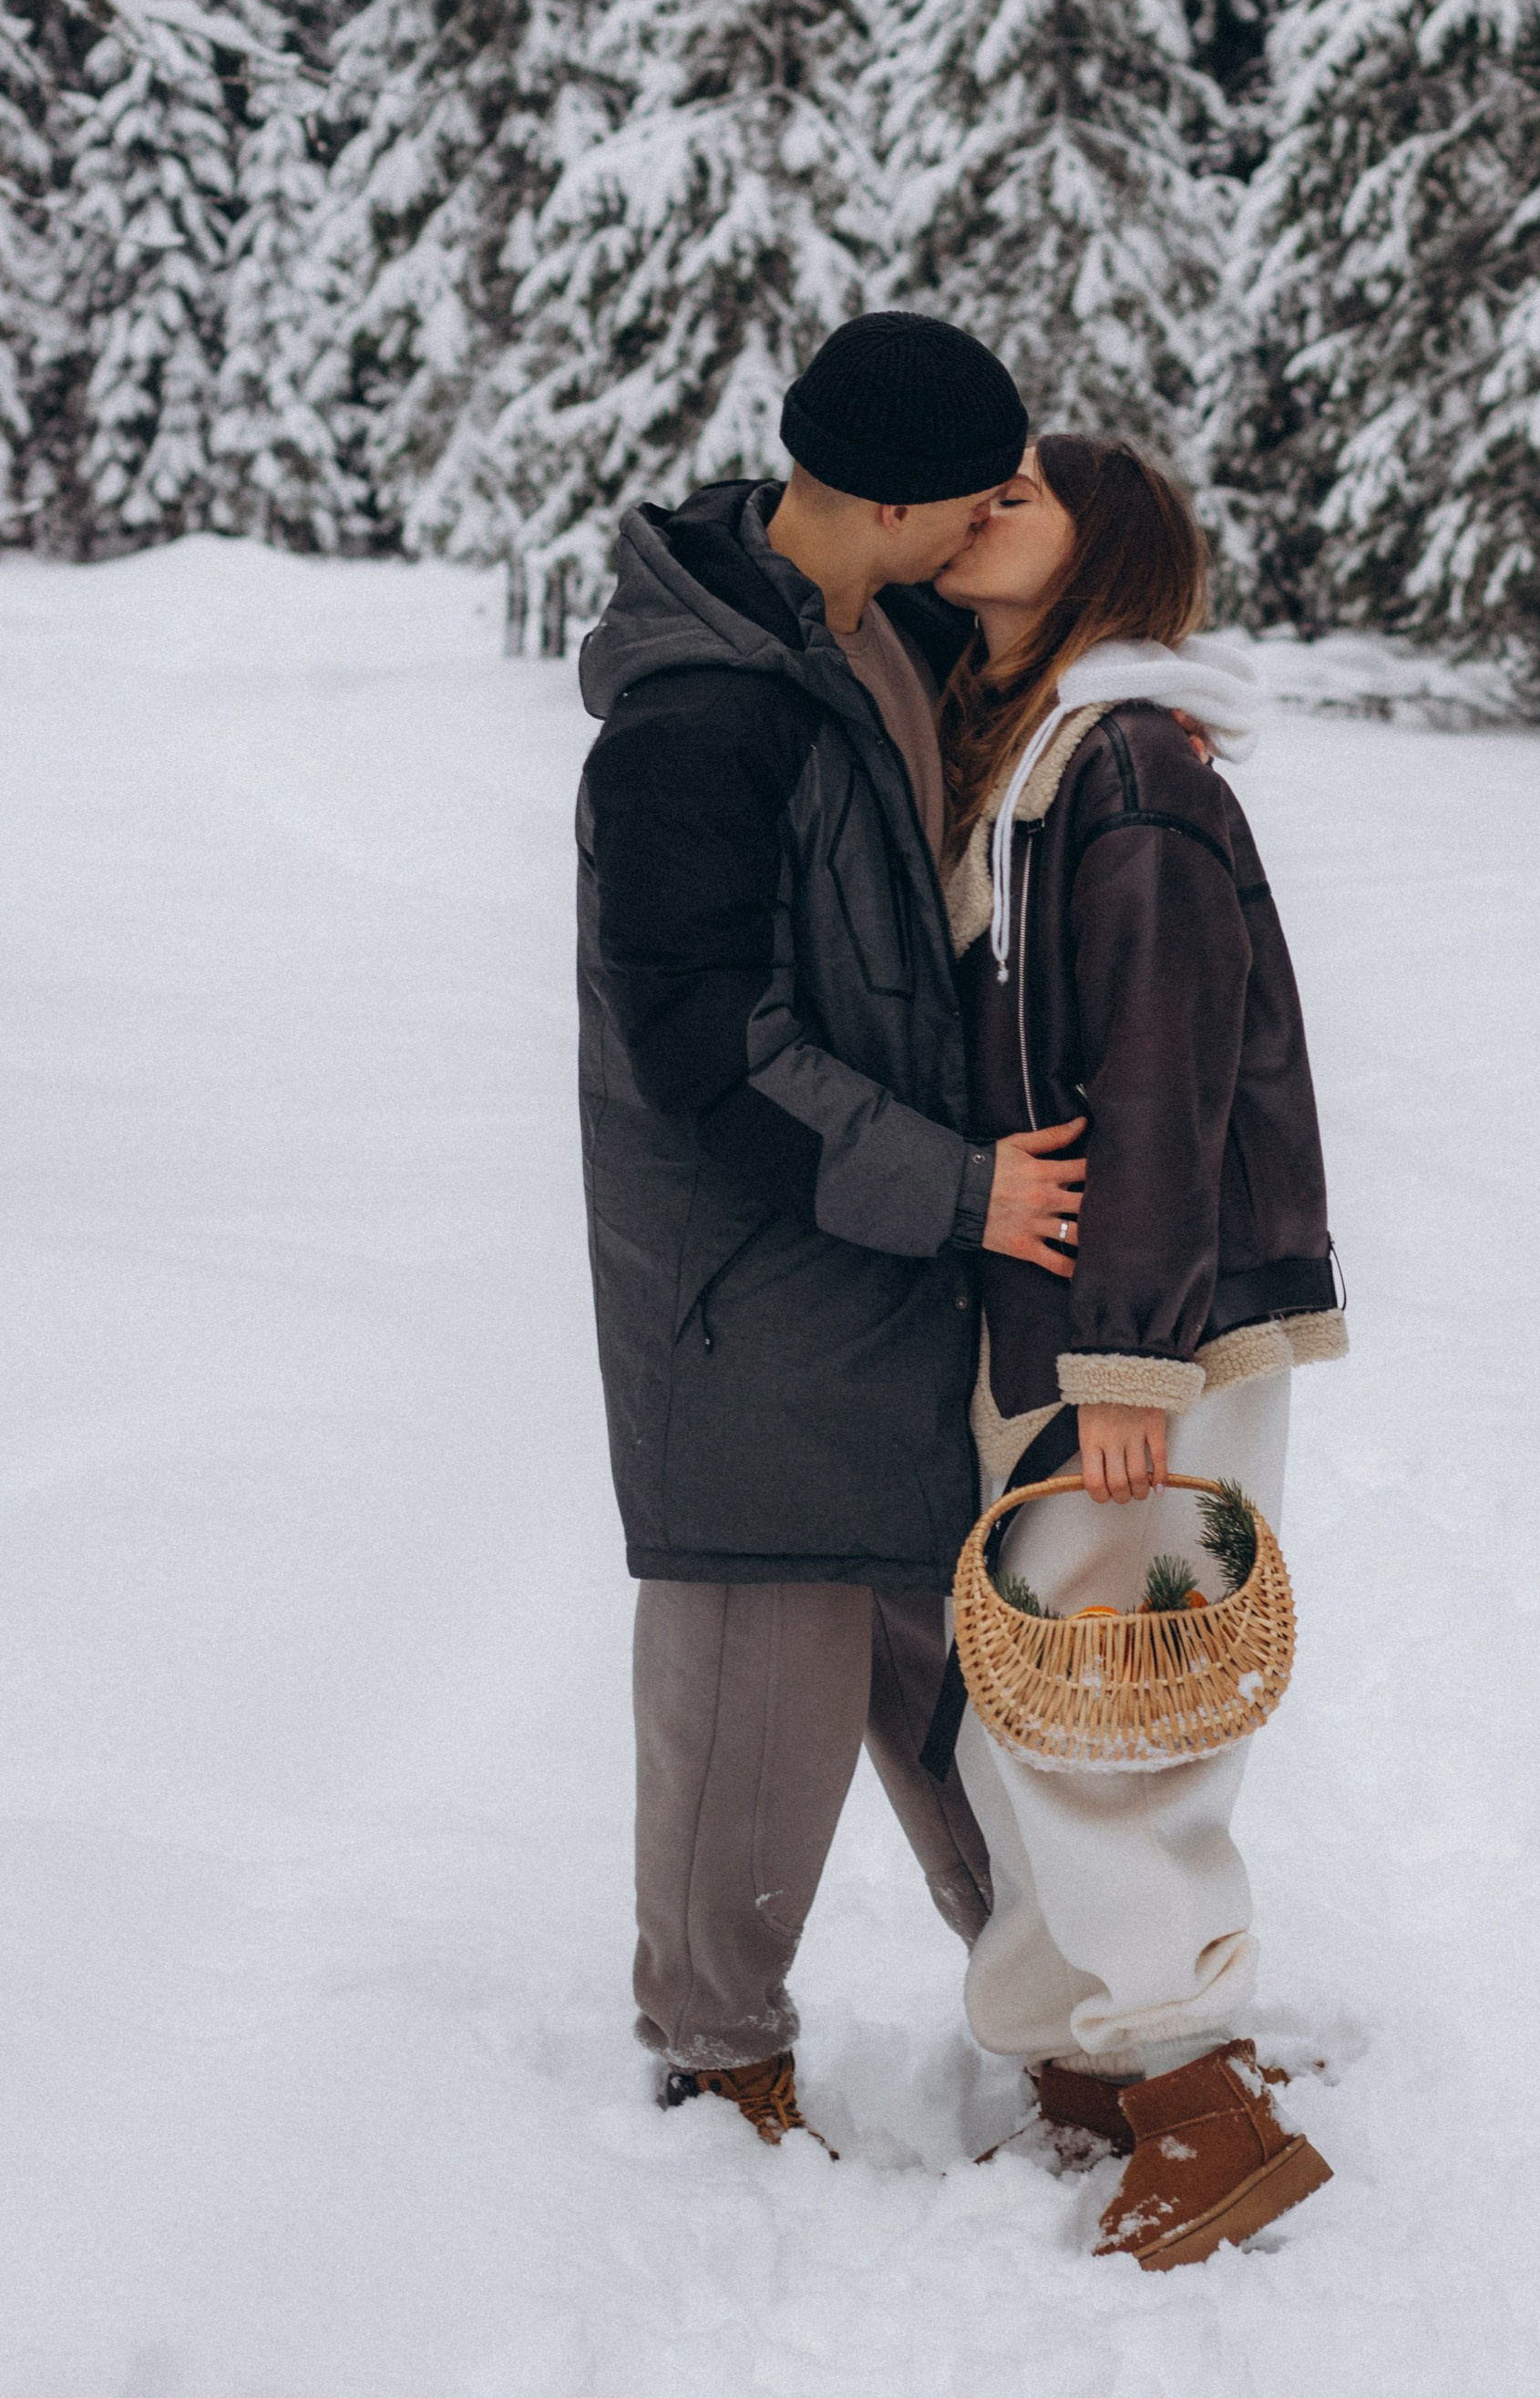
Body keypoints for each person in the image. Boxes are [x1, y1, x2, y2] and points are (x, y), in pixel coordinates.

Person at [573, 314, 1091, 2146]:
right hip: (747, 1297)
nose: (992, 523)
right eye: (976, 495)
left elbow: (1048, 617)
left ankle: (1074, 1996)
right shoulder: (695, 721)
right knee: (750, 1697)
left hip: (871, 1280)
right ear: (885, 496)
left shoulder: (871, 629)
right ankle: (718, 2062)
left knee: (957, 1671)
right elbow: (712, 1050)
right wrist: (964, 1189)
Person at [932, 435, 1349, 2269]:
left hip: (1142, 1325)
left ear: (1100, 553)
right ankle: (1093, 2054)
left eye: (1012, 496)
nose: (973, 506)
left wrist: (1126, 1364)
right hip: (1083, 1315)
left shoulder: (1127, 766)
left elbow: (1163, 1074)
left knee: (1112, 1719)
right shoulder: (1037, 748)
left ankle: (1197, 2100)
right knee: (1038, 1700)